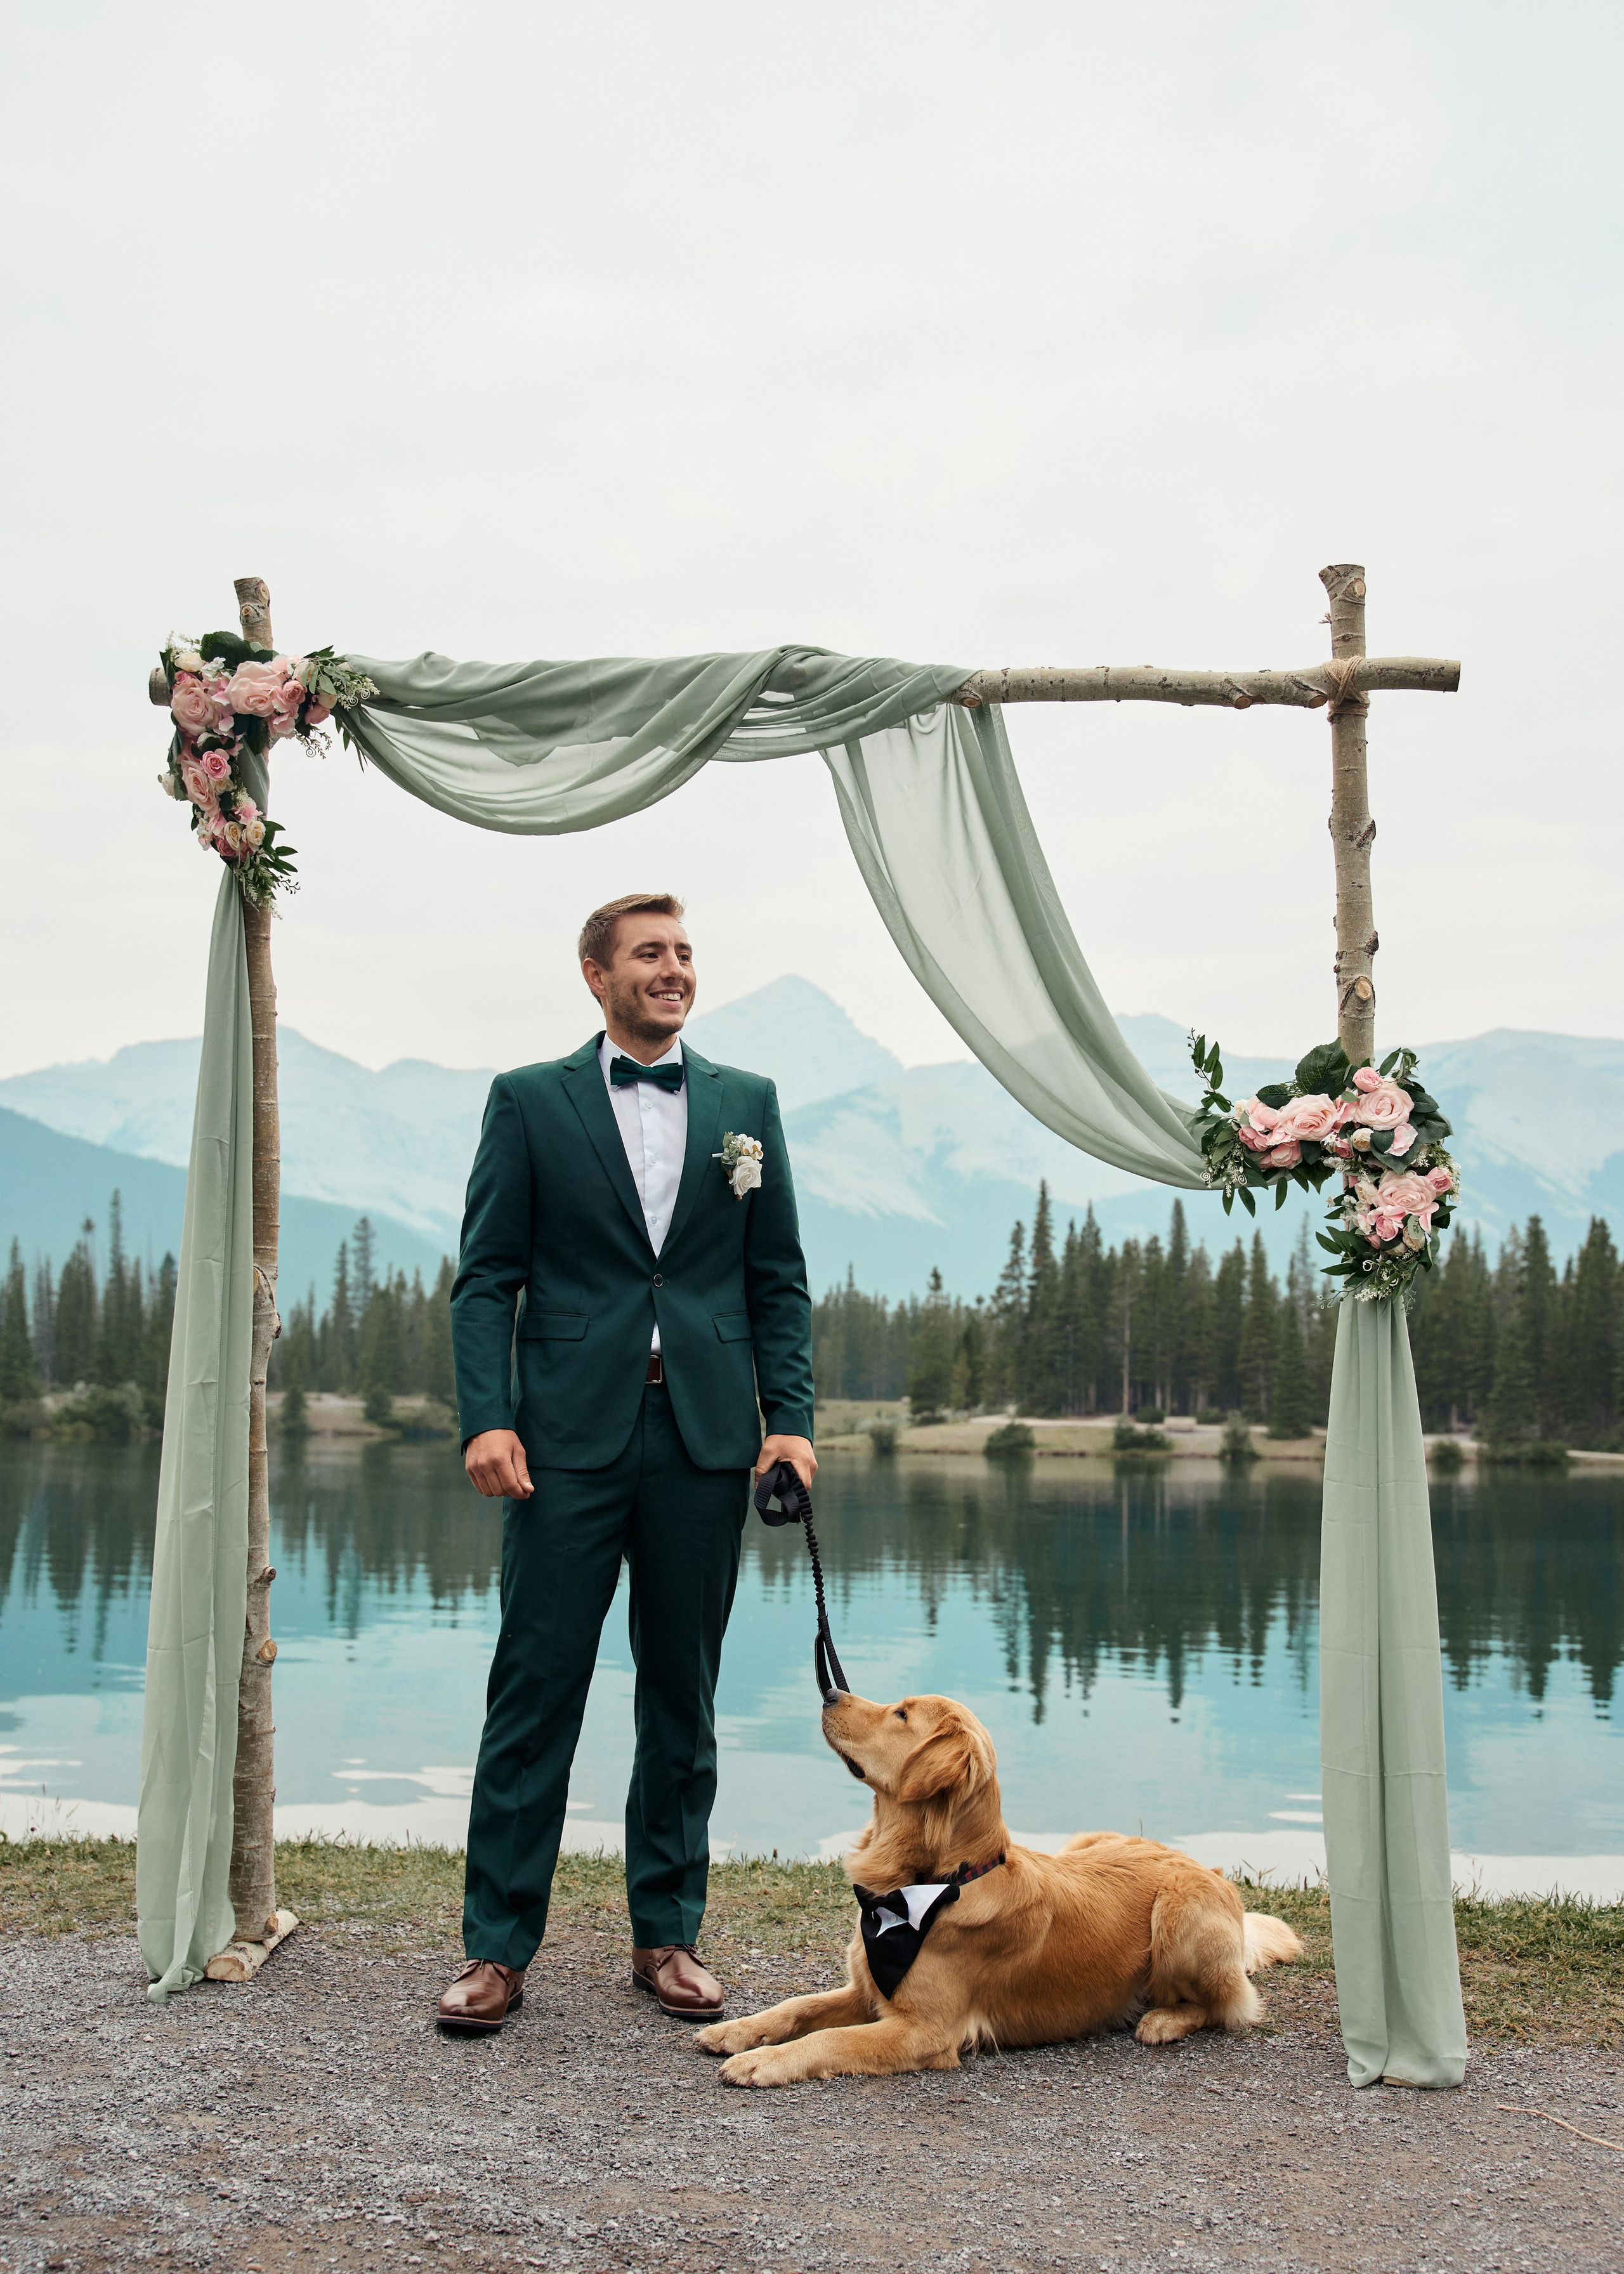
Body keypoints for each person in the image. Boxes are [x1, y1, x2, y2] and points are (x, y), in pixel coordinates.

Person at [436, 892, 816, 2032]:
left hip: (704, 1438)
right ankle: (497, 1952)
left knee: (683, 1695)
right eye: (650, 953)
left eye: (686, 952)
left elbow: (776, 1279)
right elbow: (486, 1276)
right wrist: (486, 1417)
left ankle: (668, 1937)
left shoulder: (748, 1105)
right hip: (560, 1442)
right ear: (595, 974)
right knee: (534, 1687)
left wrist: (787, 1418)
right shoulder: (529, 1100)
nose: (674, 969)